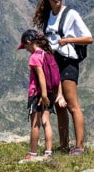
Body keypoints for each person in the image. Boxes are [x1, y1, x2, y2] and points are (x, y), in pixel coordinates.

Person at [32, 0, 93, 155]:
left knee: (72, 104)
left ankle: (79, 146)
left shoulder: (71, 14)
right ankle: (64, 145)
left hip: (67, 62)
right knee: (59, 105)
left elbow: (89, 38)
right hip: (53, 63)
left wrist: (68, 40)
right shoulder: (48, 16)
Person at [17, 29, 66, 161]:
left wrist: (43, 95)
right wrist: (58, 93)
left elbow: (41, 76)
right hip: (50, 92)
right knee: (46, 122)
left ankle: (32, 153)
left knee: (35, 124)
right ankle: (48, 152)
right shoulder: (47, 54)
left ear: (29, 42)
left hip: (37, 94)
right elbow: (56, 76)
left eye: (25, 46)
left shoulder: (34, 57)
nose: (26, 50)